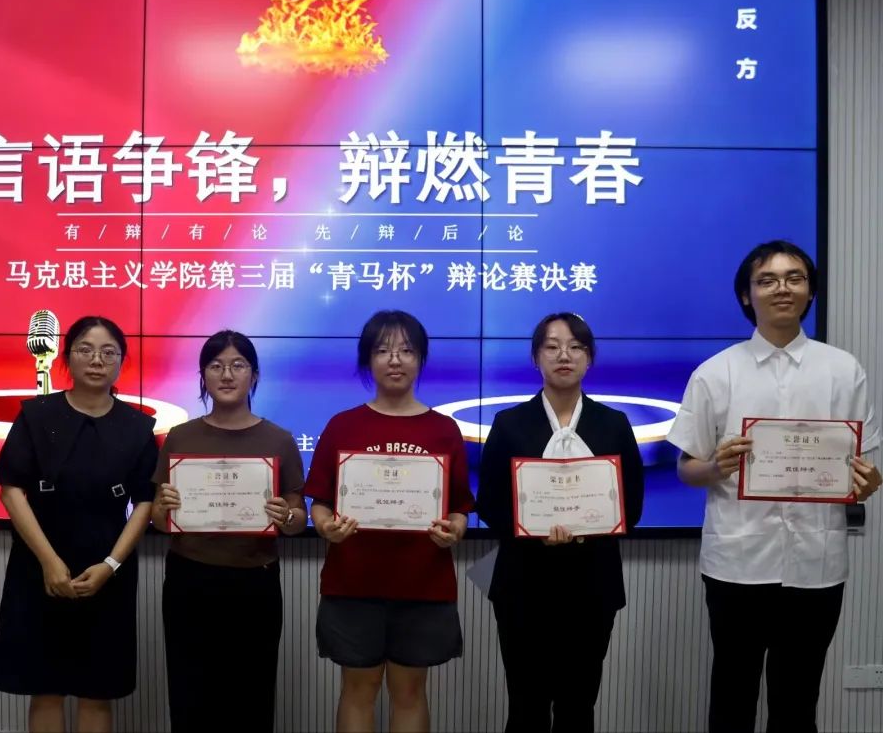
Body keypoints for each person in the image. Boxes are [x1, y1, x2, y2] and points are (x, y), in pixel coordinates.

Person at [667, 240, 882, 733]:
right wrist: (715, 467)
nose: (782, 288)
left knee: (798, 702)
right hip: (737, 564)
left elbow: (860, 468)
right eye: (766, 280)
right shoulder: (715, 372)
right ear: (747, 295)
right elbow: (686, 469)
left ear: (810, 292)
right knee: (732, 698)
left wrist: (867, 484)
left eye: (794, 278)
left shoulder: (843, 369)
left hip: (817, 565)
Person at [303, 310, 474, 733]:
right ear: (368, 359)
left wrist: (455, 530)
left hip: (423, 582)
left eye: (406, 351)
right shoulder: (343, 425)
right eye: (382, 351)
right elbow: (319, 503)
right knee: (357, 691)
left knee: (410, 693)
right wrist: (324, 526)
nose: (395, 360)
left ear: (420, 359)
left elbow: (459, 507)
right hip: (353, 582)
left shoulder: (444, 429)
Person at [0, 316, 158, 733]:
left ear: (121, 362)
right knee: (45, 689)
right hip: (39, 567)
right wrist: (49, 562)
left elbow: (145, 502)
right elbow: (11, 491)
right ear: (66, 357)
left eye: (108, 352)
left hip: (108, 570)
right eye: (85, 349)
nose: (97, 360)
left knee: (97, 692)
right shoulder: (36, 414)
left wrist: (110, 566)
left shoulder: (138, 427)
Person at [475, 312, 644, 733]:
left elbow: (633, 505)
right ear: (536, 357)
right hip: (523, 585)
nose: (564, 355)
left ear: (589, 358)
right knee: (526, 706)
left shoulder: (614, 424)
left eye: (575, 347)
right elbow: (489, 504)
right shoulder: (509, 423)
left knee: (578, 705)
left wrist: (591, 526)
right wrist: (533, 534)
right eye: (552, 347)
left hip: (592, 585)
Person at [151, 330, 307, 733]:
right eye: (216, 365)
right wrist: (162, 509)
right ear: (202, 376)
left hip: (255, 583)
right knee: (190, 693)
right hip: (189, 578)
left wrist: (286, 517)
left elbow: (298, 518)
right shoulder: (181, 437)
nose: (226, 374)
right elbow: (158, 520)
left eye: (238, 365)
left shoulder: (278, 440)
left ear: (254, 376)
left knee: (251, 695)